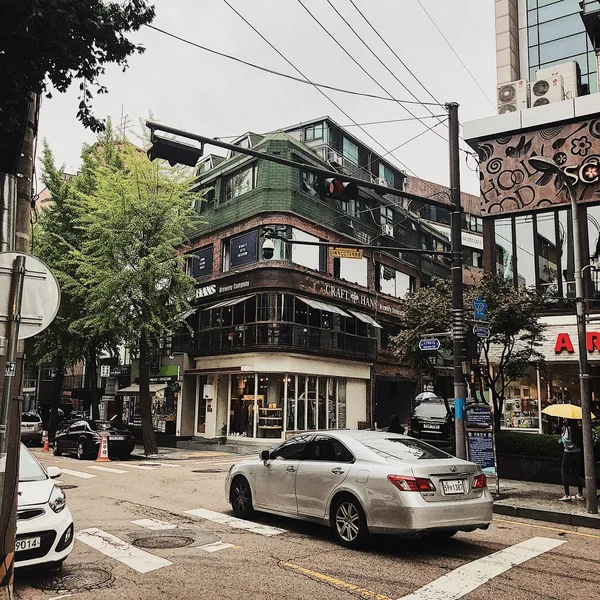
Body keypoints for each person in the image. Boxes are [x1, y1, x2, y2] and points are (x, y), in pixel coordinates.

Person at [560, 418, 584, 501]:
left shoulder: (568, 429)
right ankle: (582, 492)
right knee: (576, 474)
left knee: (564, 472)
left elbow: (567, 442)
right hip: (578, 452)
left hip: (568, 453)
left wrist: (562, 437)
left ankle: (567, 495)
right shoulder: (578, 429)